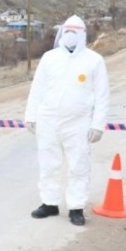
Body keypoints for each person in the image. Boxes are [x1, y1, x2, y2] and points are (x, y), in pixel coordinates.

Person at [24, 15, 110, 226]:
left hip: (78, 123)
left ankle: (76, 207)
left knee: (78, 165)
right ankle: (49, 203)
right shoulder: (49, 58)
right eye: (67, 31)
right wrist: (30, 115)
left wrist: (97, 124)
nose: (70, 35)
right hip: (48, 120)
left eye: (75, 32)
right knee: (48, 163)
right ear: (62, 33)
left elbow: (102, 95)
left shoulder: (94, 60)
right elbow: (37, 89)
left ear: (82, 35)